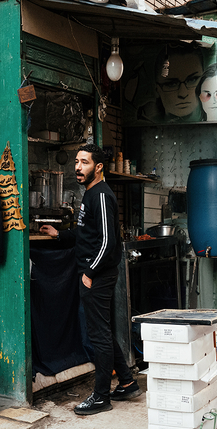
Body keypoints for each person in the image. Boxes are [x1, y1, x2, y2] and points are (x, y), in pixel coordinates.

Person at [39, 144, 140, 415]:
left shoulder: (102, 196)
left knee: (99, 336)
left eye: (84, 162)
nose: (77, 167)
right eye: (76, 162)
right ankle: (128, 382)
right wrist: (58, 234)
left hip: (98, 276)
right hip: (93, 274)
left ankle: (100, 396)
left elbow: (108, 242)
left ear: (98, 167)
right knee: (103, 331)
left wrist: (89, 273)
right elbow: (87, 235)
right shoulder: (90, 194)